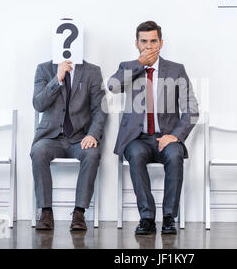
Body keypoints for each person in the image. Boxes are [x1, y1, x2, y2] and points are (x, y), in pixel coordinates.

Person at [108, 21, 199, 235]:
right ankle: (147, 218)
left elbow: (192, 109)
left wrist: (175, 136)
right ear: (137, 43)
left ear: (161, 43)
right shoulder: (128, 67)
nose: (148, 47)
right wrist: (140, 63)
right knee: (136, 155)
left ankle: (169, 217)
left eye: (153, 41)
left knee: (175, 155)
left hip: (166, 136)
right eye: (144, 42)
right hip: (137, 138)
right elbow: (112, 86)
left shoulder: (176, 70)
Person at [31, 57, 107, 231]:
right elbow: (38, 104)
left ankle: (79, 212)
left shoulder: (92, 71)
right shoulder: (43, 69)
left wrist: (93, 135)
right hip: (51, 137)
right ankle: (46, 212)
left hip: (80, 138)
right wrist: (56, 78)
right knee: (38, 151)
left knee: (92, 153)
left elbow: (100, 109)